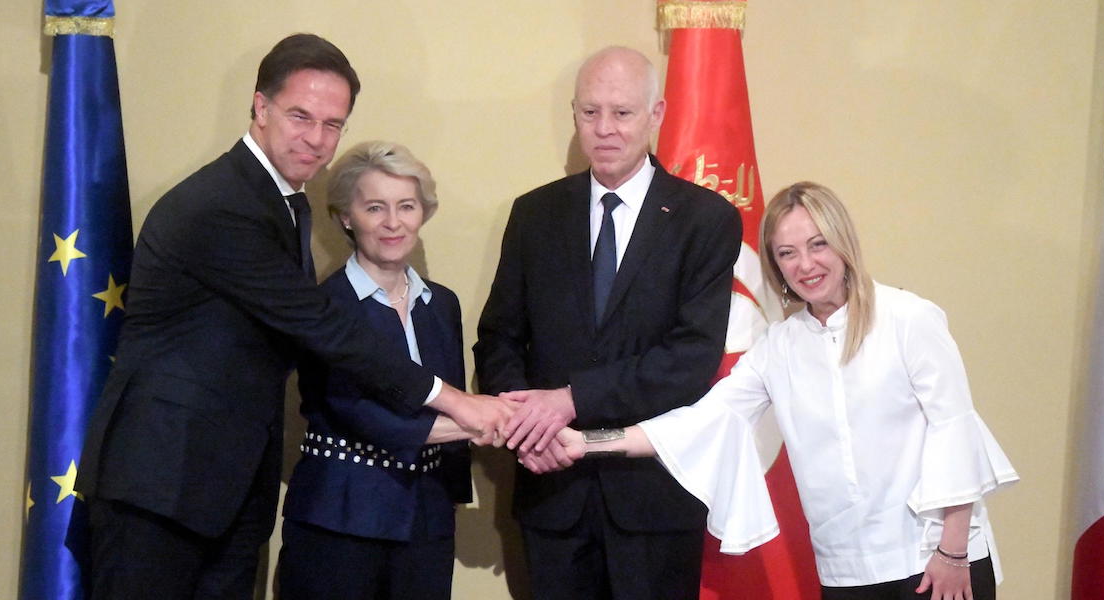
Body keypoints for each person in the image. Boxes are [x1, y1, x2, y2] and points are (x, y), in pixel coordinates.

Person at [75, 35, 506, 600]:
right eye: (300, 116)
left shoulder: (284, 202)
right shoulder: (221, 204)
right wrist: (457, 401)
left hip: (226, 491)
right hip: (159, 486)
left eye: (333, 124)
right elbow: (322, 327)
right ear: (260, 107)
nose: (316, 138)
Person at [536, 182, 1020, 600]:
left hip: (934, 558)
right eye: (787, 253)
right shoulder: (778, 347)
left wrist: (953, 551)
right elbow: (701, 422)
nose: (805, 265)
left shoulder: (909, 318)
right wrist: (585, 442)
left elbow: (954, 431)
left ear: (843, 243)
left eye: (817, 245)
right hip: (846, 569)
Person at [473, 46, 743, 599]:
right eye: (590, 112)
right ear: (574, 114)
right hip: (551, 491)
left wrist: (570, 400)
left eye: (622, 113)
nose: (604, 129)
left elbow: (690, 359)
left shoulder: (706, 220)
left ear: (656, 114)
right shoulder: (534, 214)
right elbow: (498, 338)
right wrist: (529, 427)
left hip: (654, 502)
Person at [276, 141, 474, 599]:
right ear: (347, 217)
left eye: (406, 206)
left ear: (423, 213)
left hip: (426, 522)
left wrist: (451, 495)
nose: (392, 223)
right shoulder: (323, 308)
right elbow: (360, 414)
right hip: (340, 520)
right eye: (375, 207)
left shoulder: (442, 304)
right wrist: (487, 422)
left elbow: (453, 400)